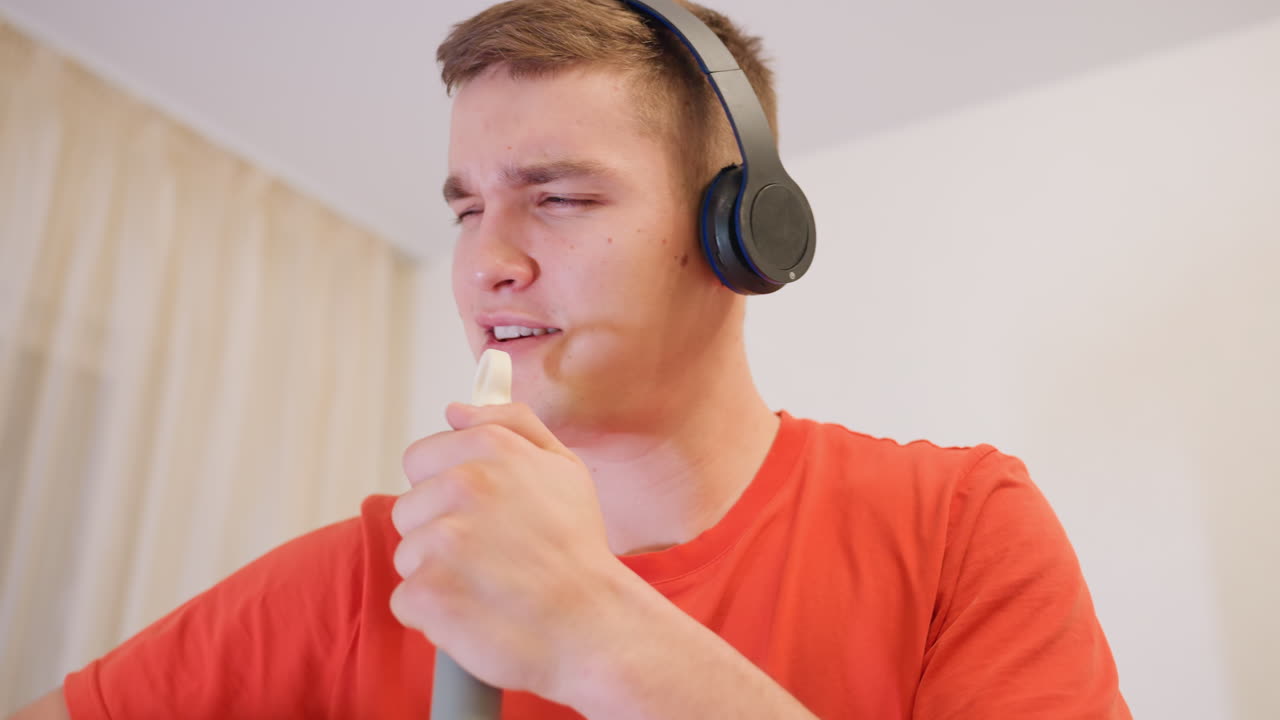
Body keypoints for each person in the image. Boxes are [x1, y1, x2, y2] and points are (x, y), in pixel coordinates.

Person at [10, 1, 1131, 718]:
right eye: (465, 210)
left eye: (554, 197)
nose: (483, 264)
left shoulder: (957, 525)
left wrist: (600, 634)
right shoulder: (367, 577)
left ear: (739, 233)